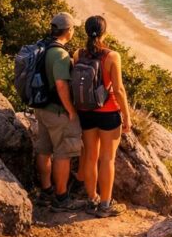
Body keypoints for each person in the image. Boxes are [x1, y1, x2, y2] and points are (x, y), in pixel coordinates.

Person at [74, 15, 132, 217]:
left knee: (90, 156)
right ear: (105, 32)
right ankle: (105, 205)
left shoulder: (77, 54)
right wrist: (126, 116)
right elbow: (119, 89)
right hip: (108, 113)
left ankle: (92, 199)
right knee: (107, 158)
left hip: (86, 112)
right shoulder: (112, 56)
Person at [33, 13, 86, 211]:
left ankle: (45, 191)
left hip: (41, 108)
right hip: (57, 111)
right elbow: (61, 85)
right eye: (73, 28)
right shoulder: (61, 55)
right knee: (63, 153)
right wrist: (71, 110)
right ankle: (61, 198)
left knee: (44, 150)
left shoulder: (43, 46)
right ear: (69, 30)